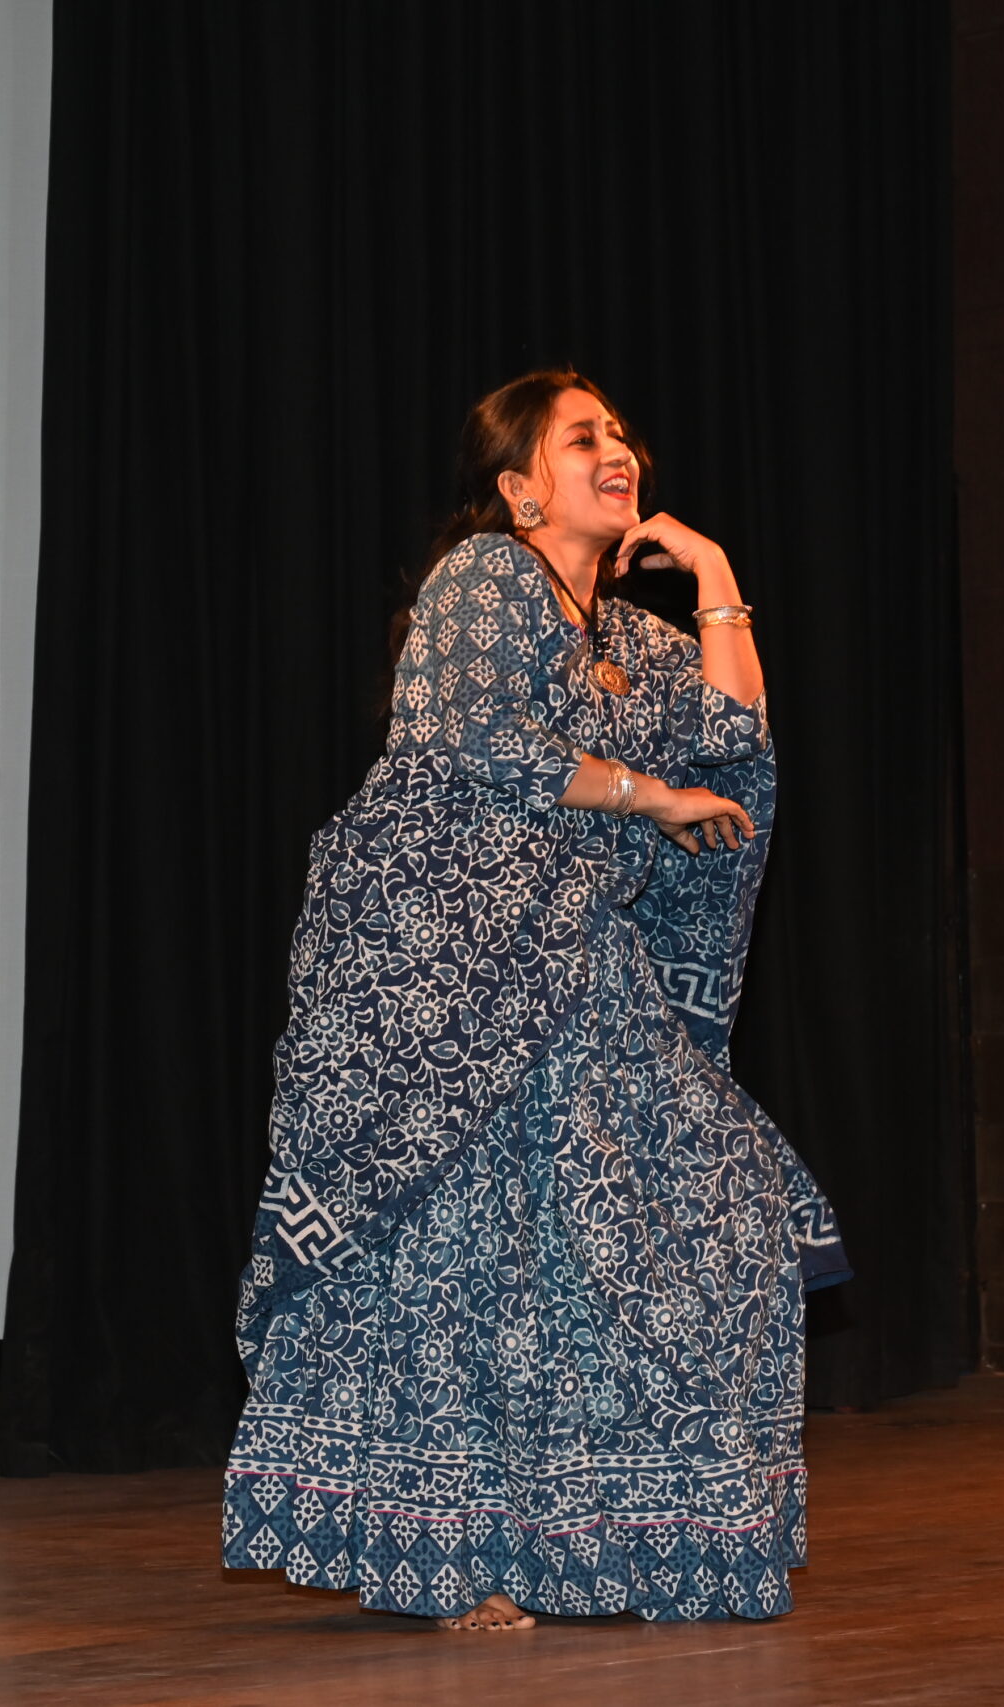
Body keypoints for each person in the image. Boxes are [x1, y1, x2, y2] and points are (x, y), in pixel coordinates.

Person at [221, 370, 847, 1631]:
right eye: (580, 439)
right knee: (468, 1248)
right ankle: (459, 1557)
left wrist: (715, 575)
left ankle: (620, 1532)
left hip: (576, 958)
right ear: (518, 490)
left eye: (619, 435)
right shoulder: (487, 580)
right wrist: (647, 795)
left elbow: (734, 740)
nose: (617, 452)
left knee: (698, 1204)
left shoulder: (630, 640)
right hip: (443, 968)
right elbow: (472, 736)